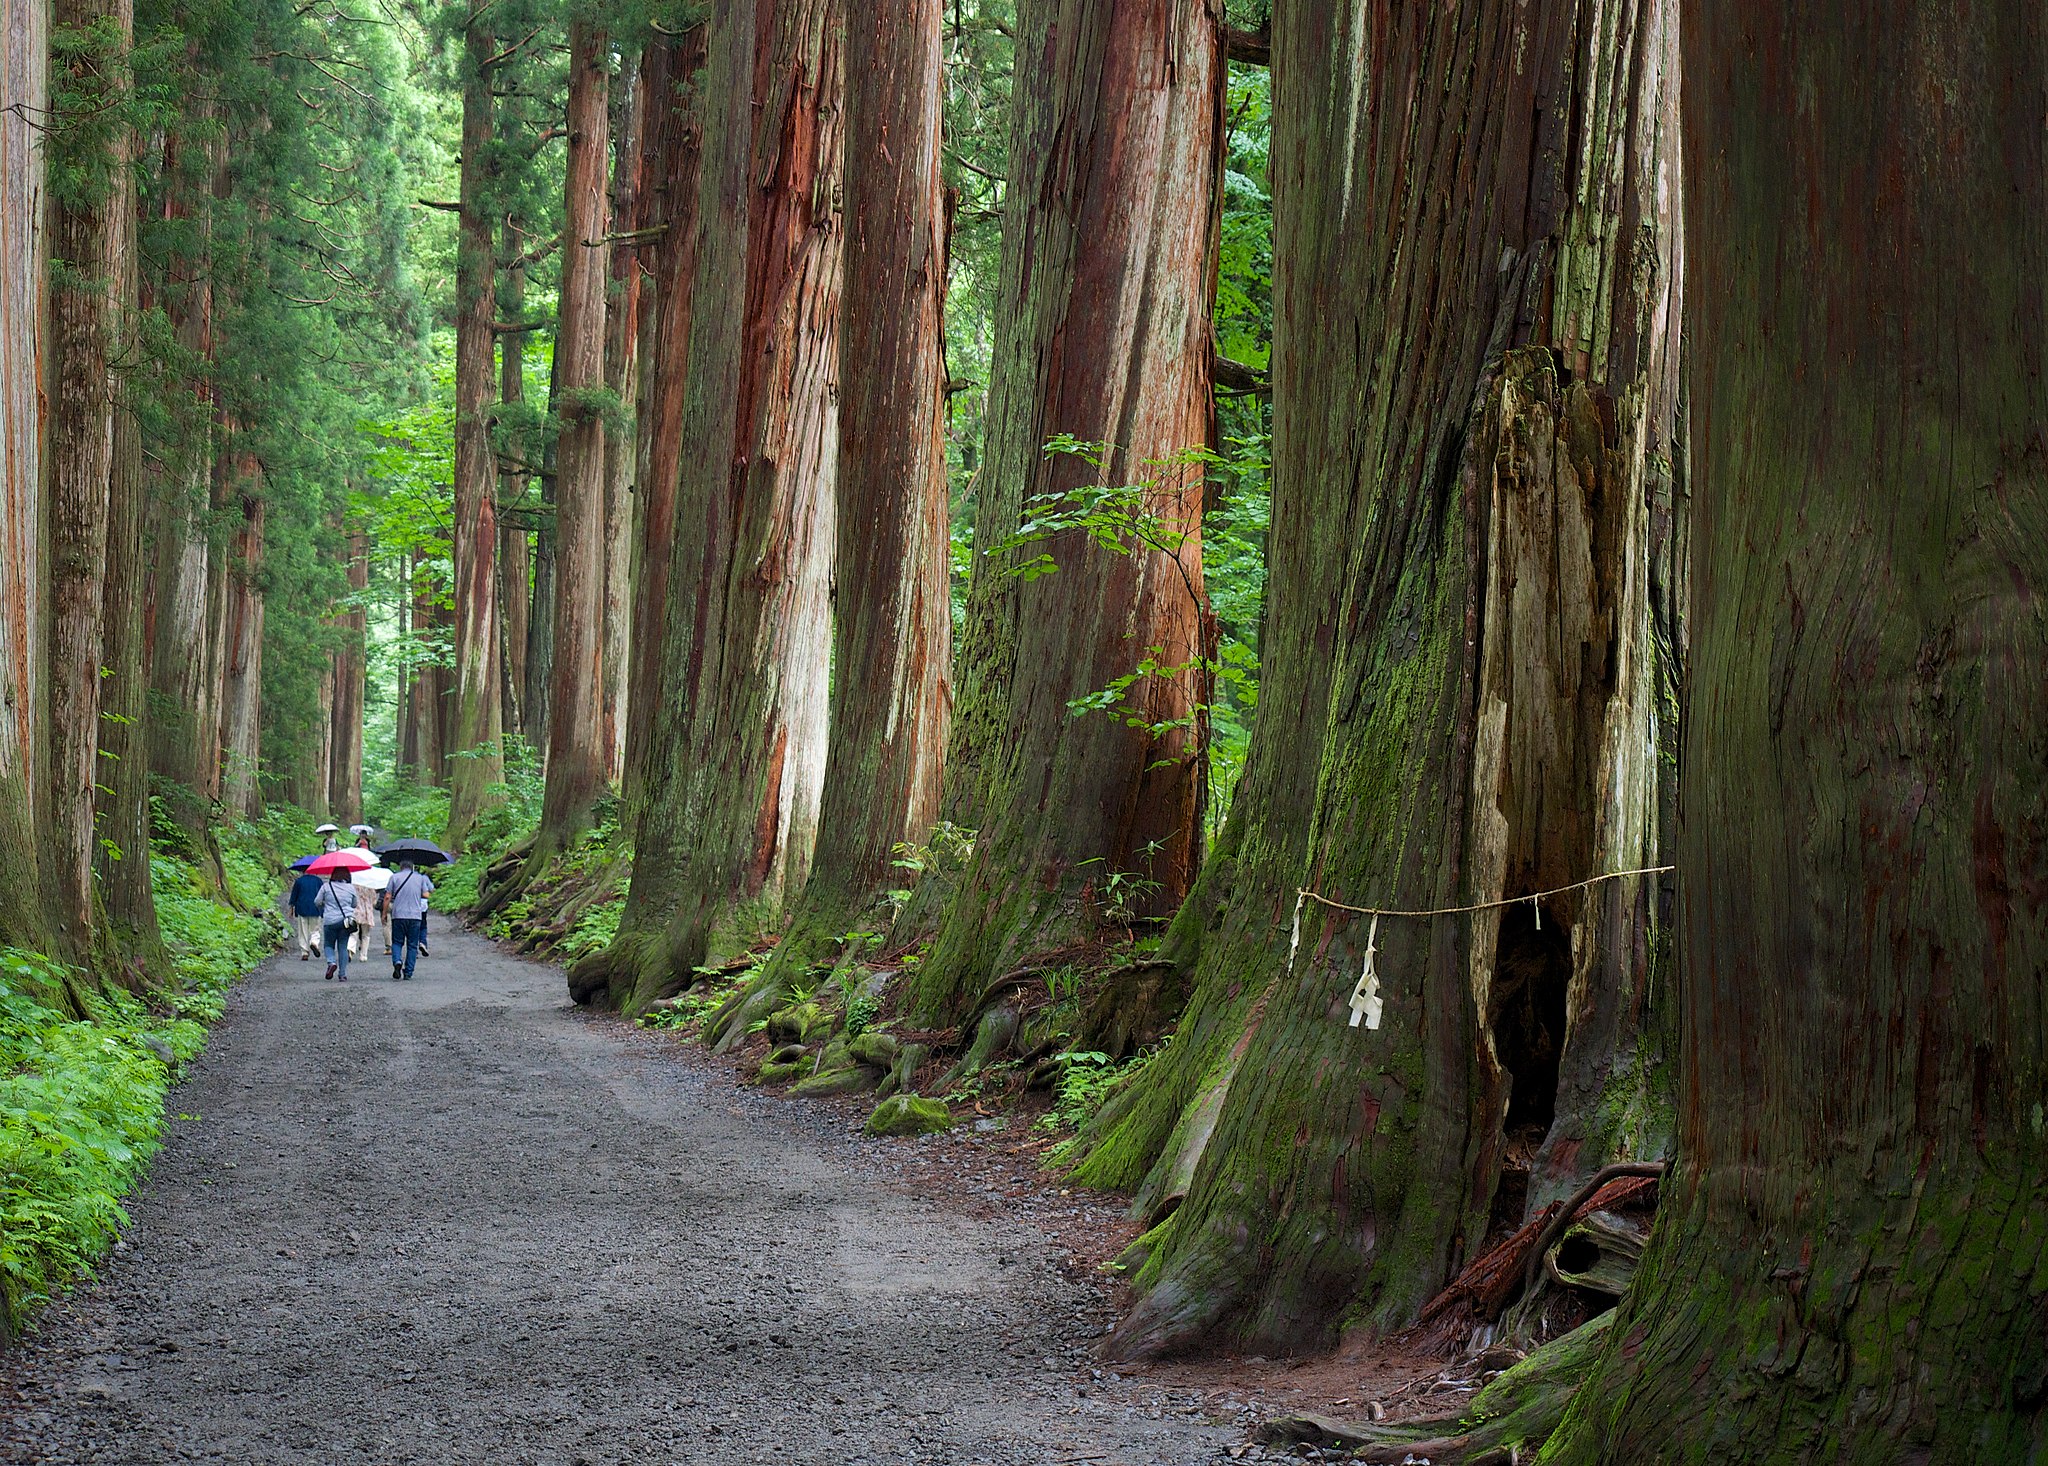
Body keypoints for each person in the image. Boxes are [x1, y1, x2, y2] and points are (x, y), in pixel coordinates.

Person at [385, 861, 434, 982]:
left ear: (401, 866)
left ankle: (397, 961)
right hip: (415, 916)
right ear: (412, 866)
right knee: (412, 945)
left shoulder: (394, 877)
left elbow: (387, 896)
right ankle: (408, 972)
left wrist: (383, 913)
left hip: (398, 915)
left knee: (397, 942)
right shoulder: (420, 878)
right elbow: (426, 894)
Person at [317, 871, 358, 981]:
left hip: (330, 920)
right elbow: (354, 904)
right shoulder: (350, 888)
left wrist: (325, 906)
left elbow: (317, 901)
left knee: (328, 945)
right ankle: (342, 974)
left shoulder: (326, 886)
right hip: (345, 922)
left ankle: (331, 962)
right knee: (343, 946)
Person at [284, 868, 324, 960]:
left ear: (303, 871)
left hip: (302, 908)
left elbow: (294, 896)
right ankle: (314, 942)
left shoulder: (299, 881)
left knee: (303, 931)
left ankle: (304, 952)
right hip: (315, 908)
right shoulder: (318, 881)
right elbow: (322, 896)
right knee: (315, 929)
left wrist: (291, 908)